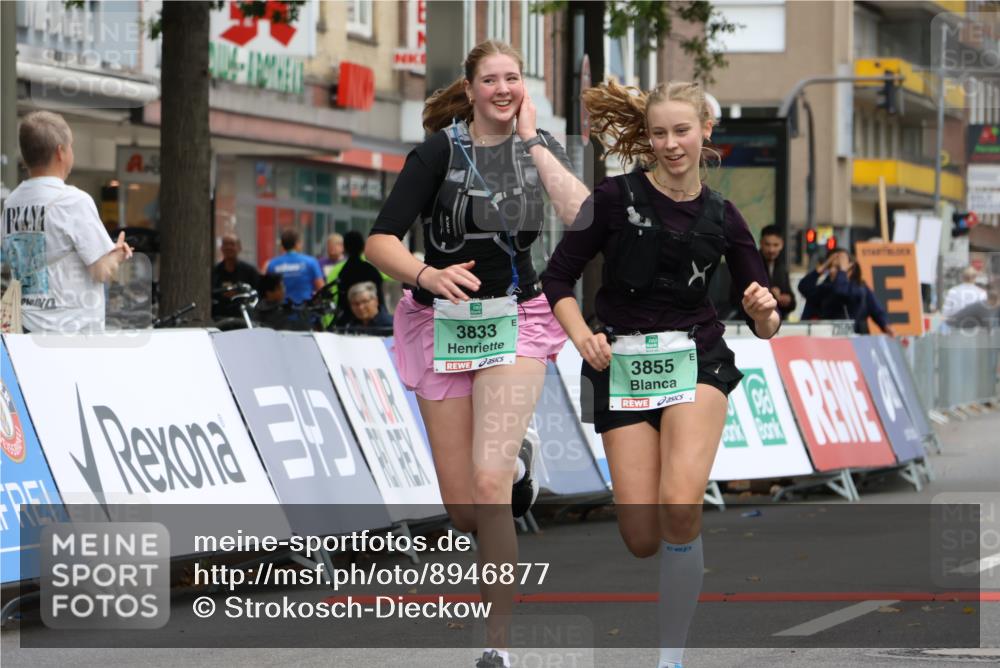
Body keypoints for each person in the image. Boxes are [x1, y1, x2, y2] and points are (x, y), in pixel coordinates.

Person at [540, 79, 780, 668]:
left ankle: (670, 656)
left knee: (678, 504)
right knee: (643, 537)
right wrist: (582, 336)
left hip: (698, 361)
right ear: (647, 138)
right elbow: (557, 278)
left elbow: (768, 317)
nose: (672, 144)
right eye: (660, 133)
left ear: (705, 131)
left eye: (682, 131)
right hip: (620, 366)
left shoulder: (724, 216)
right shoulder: (613, 197)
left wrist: (763, 312)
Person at [365, 40, 589, 668]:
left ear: (523, 86)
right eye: (489, 79)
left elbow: (583, 216)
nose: (502, 89)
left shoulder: (538, 147)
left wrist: (534, 142)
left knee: (487, 486)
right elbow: (379, 242)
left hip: (515, 321)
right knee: (466, 508)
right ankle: (518, 464)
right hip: (440, 324)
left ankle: (497, 647)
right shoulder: (438, 152)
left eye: (512, 78)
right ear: (469, 89)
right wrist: (426, 275)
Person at [1, 110, 132, 333]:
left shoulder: (11, 204)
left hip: (24, 331)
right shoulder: (73, 201)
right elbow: (101, 271)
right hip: (72, 335)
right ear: (60, 152)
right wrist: (118, 254)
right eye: (71, 146)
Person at [799, 249, 894, 335]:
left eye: (837, 267)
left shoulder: (858, 289)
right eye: (830, 267)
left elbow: (877, 310)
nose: (832, 270)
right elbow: (804, 287)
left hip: (854, 339)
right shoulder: (825, 288)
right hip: (827, 339)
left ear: (851, 269)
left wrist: (886, 326)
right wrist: (824, 266)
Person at [334, 230, 384, 323]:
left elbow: (341, 303)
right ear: (363, 246)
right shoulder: (371, 270)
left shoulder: (344, 272)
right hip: (375, 320)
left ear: (345, 248)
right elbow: (381, 301)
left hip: (349, 320)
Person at [265, 228, 324, 305]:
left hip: (280, 309)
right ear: (297, 243)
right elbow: (321, 288)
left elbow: (268, 292)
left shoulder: (272, 264)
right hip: (305, 309)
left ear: (282, 245)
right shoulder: (311, 262)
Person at [212, 233, 261, 319]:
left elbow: (258, 293)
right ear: (221, 248)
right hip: (219, 317)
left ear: (239, 248)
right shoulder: (215, 271)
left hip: (244, 317)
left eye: (232, 244)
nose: (228, 247)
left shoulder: (250, 271)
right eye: (225, 244)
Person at [758, 224, 796, 320]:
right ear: (761, 243)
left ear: (781, 244)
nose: (771, 250)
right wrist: (773, 295)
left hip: (778, 321)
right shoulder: (751, 264)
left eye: (775, 245)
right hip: (756, 321)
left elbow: (792, 301)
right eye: (767, 245)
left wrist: (788, 300)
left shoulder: (782, 267)